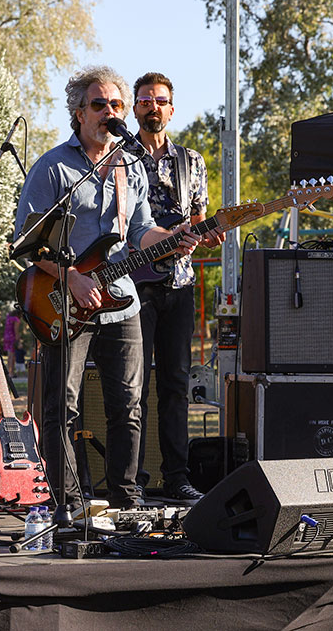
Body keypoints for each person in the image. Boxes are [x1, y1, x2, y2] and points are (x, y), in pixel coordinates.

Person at [13, 66, 200, 512]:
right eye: (100, 105)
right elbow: (26, 241)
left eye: (117, 105)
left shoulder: (130, 164)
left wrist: (179, 236)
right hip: (64, 300)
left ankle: (127, 498)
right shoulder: (54, 166)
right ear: (79, 113)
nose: (111, 113)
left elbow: (142, 232)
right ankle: (70, 503)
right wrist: (71, 278)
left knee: (129, 404)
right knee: (63, 407)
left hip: (122, 302)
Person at [132, 72, 224, 502]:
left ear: (172, 108)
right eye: (146, 100)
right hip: (130, 286)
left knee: (174, 385)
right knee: (131, 387)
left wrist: (210, 233)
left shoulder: (192, 162)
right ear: (135, 107)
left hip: (179, 284)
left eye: (161, 100)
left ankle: (177, 476)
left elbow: (200, 219)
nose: (153, 107)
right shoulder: (118, 155)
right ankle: (130, 479)